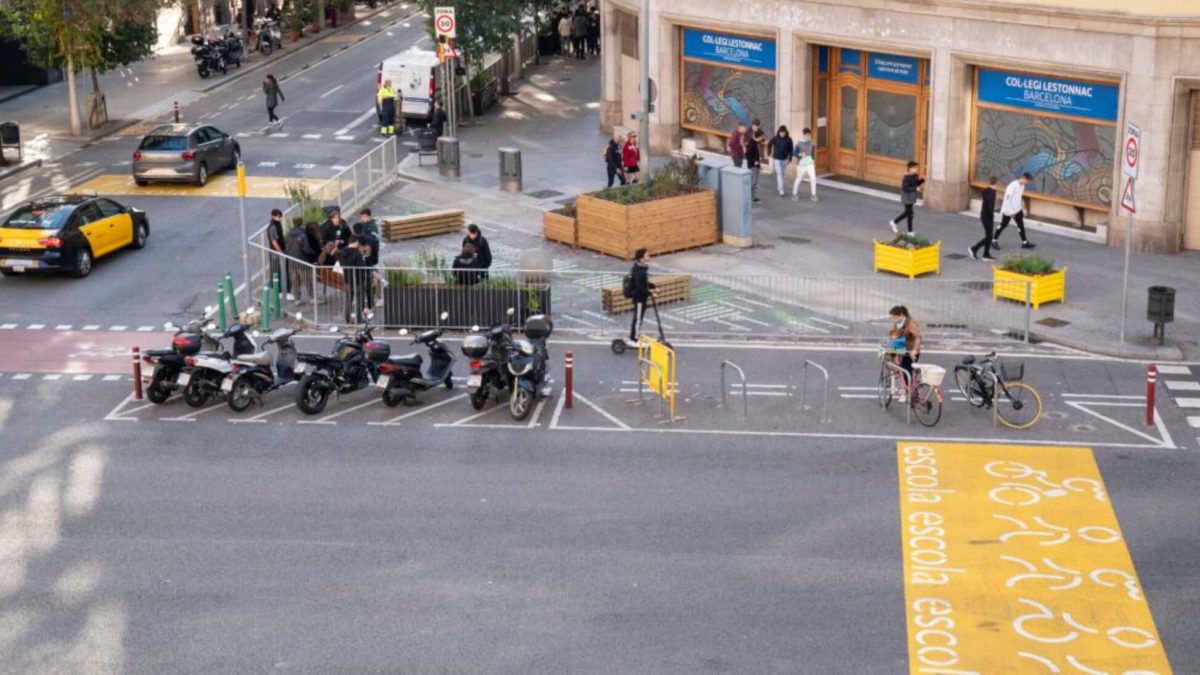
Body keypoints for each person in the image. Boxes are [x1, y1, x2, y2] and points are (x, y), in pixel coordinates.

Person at [887, 305, 922, 401]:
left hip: (910, 350)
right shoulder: (897, 323)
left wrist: (914, 350)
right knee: (886, 357)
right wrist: (892, 340)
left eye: (894, 317)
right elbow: (894, 334)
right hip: (901, 348)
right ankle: (890, 375)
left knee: (905, 369)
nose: (893, 320)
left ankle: (906, 392)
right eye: (892, 318)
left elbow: (918, 338)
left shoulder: (911, 324)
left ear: (901, 315)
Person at [994, 172, 1036, 250]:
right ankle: (994, 240)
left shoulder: (1022, 186)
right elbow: (1007, 200)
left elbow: (1018, 197)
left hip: (1017, 209)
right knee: (1003, 225)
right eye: (1028, 181)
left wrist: (1020, 207)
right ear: (1024, 178)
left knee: (1021, 225)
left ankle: (1024, 242)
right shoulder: (1012, 186)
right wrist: (1010, 212)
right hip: (1008, 209)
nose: (1028, 183)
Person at [627, 248, 657, 343]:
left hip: (641, 297)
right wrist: (651, 292)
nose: (649, 257)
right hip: (639, 298)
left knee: (639, 318)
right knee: (638, 318)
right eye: (647, 255)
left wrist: (652, 286)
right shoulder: (639, 271)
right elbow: (640, 287)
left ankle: (635, 335)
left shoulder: (641, 268)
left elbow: (643, 283)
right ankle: (634, 338)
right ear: (641, 259)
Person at [338, 236, 369, 323]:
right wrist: (363, 259)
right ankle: (359, 319)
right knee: (359, 299)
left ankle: (347, 319)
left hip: (347, 278)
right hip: (358, 279)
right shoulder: (357, 254)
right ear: (355, 242)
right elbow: (361, 267)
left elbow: (340, 263)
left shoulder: (342, 252)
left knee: (348, 299)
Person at [889, 161, 925, 234]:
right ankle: (909, 232)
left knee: (907, 213)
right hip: (906, 196)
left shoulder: (915, 175)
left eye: (917, 168)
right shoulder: (906, 177)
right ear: (910, 169)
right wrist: (916, 188)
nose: (916, 169)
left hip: (911, 195)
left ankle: (894, 222)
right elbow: (905, 188)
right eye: (915, 168)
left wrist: (922, 180)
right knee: (910, 214)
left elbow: (916, 183)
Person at [285, 217, 315, 305]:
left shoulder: (289, 234)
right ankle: (312, 297)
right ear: (301, 223)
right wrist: (313, 252)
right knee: (308, 280)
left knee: (295, 281)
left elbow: (287, 247)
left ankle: (297, 299)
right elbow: (306, 249)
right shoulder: (303, 234)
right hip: (302, 260)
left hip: (292, 260)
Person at [969, 176, 999, 261]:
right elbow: (990, 206)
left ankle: (986, 254)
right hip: (988, 216)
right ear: (996, 183)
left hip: (983, 215)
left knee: (988, 235)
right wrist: (991, 215)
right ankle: (974, 248)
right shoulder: (993, 192)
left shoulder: (985, 190)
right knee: (989, 236)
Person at [791, 128, 817, 202]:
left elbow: (813, 150)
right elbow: (794, 152)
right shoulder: (799, 143)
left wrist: (813, 159)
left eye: (809, 135)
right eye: (807, 135)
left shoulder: (811, 142)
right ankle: (794, 193)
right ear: (803, 135)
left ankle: (814, 194)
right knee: (799, 178)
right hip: (801, 164)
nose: (808, 136)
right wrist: (800, 154)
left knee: (813, 178)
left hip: (809, 164)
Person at [766, 126, 793, 197]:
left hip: (784, 159)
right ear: (779, 132)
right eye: (781, 132)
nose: (782, 134)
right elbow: (769, 144)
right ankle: (781, 190)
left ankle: (780, 187)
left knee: (782, 174)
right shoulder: (775, 138)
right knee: (779, 173)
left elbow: (791, 150)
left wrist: (790, 159)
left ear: (786, 132)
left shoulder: (789, 139)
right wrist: (769, 153)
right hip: (777, 159)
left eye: (783, 133)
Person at [746, 128, 764, 203]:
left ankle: (752, 197)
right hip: (753, 165)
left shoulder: (754, 142)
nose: (762, 138)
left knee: (754, 182)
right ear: (759, 137)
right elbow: (747, 155)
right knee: (753, 182)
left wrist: (759, 165)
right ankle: (750, 197)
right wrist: (755, 162)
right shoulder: (752, 144)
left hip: (755, 165)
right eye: (761, 137)